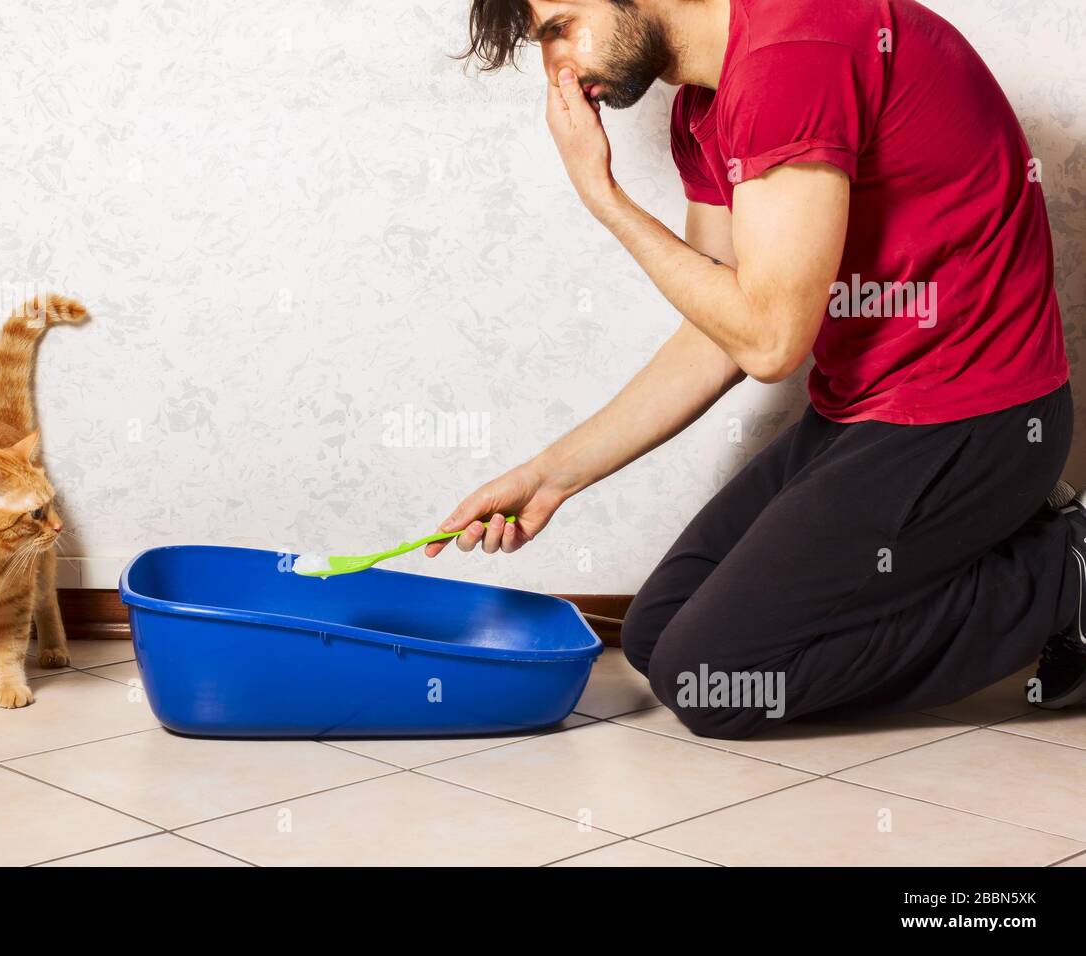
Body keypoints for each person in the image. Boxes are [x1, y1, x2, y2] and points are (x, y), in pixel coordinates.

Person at [429, 0, 1086, 739]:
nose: (557, 67)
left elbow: (771, 343)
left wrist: (603, 198)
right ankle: (999, 539)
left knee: (711, 683)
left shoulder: (795, 54)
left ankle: (1066, 577)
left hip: (974, 420)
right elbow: (720, 337)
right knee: (655, 634)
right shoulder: (703, 108)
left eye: (559, 27)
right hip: (866, 412)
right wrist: (550, 477)